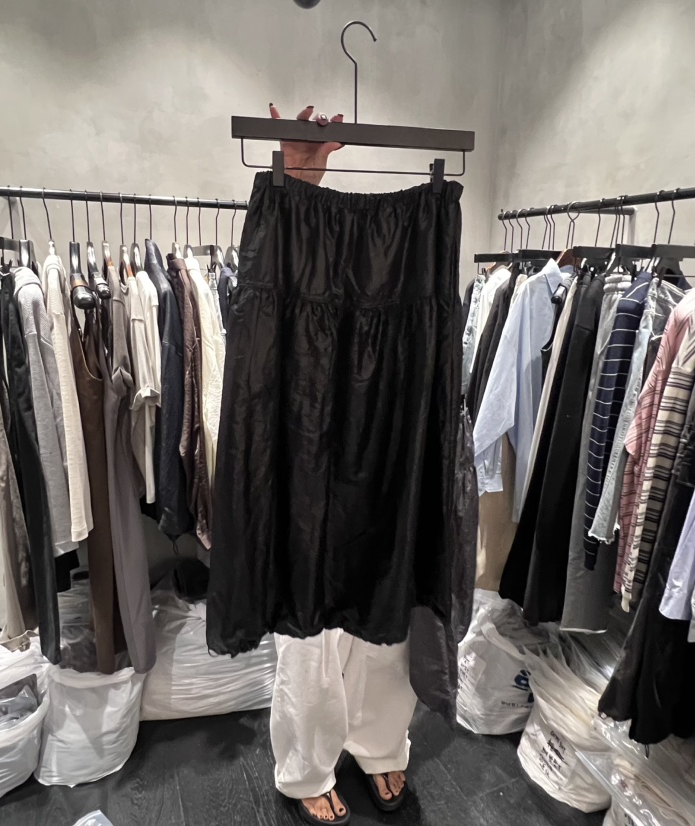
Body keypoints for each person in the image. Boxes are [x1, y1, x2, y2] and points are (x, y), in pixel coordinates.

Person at [266, 104, 417, 826]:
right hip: (304, 418)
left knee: (387, 585)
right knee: (309, 614)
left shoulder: (413, 257)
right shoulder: (290, 264)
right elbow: (275, 292)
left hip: (386, 404)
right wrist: (297, 182)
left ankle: (380, 742)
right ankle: (305, 764)